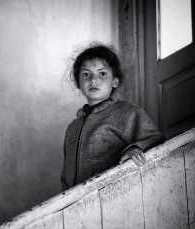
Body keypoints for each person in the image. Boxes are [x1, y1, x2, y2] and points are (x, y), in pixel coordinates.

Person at [61, 42, 164, 191]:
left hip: (113, 196)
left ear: (115, 81)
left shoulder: (126, 112)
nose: (93, 80)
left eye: (102, 73)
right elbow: (65, 174)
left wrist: (134, 148)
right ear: (79, 82)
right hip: (76, 204)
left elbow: (155, 139)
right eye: (86, 74)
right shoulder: (72, 127)